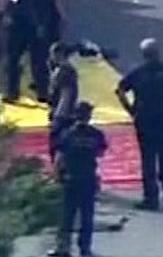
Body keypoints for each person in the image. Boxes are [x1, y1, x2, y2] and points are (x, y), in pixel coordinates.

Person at [115, 37, 163, 210]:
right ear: (158, 53)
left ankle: (151, 197)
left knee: (148, 158)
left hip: (144, 119)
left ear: (143, 54)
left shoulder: (137, 73)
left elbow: (119, 90)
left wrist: (129, 109)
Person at [0, 0, 68, 103]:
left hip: (18, 20)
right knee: (39, 59)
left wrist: (4, 10)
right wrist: (63, 17)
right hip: (41, 22)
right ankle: (42, 93)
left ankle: (12, 92)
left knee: (13, 58)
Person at [50, 101, 107, 257]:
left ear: (75, 115)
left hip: (71, 178)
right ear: (89, 116)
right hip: (88, 177)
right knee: (87, 216)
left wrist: (55, 175)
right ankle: (85, 248)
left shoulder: (67, 134)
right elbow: (101, 153)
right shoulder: (97, 134)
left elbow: (60, 156)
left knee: (67, 215)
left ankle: (63, 248)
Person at [47, 41, 80, 162]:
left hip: (62, 113)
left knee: (58, 144)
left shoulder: (64, 71)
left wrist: (59, 115)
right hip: (62, 111)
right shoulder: (63, 70)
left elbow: (66, 94)